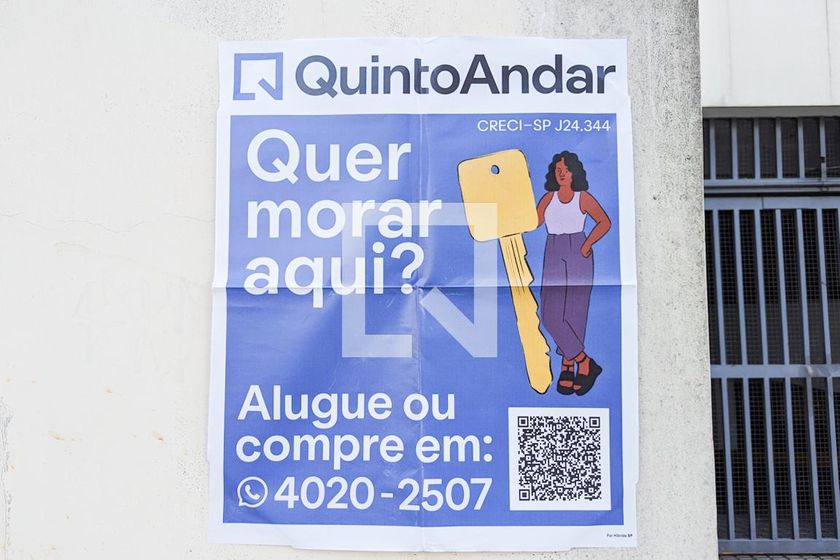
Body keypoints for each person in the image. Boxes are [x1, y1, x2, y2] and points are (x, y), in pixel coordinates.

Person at [536, 151, 611, 395]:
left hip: (578, 249)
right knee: (550, 313)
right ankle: (584, 361)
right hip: (553, 249)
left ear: (574, 173)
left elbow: (604, 222)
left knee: (575, 312)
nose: (561, 174)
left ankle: (567, 365)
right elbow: (534, 222)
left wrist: (587, 244)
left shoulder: (583, 198)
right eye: (558, 170)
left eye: (566, 170)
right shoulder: (548, 198)